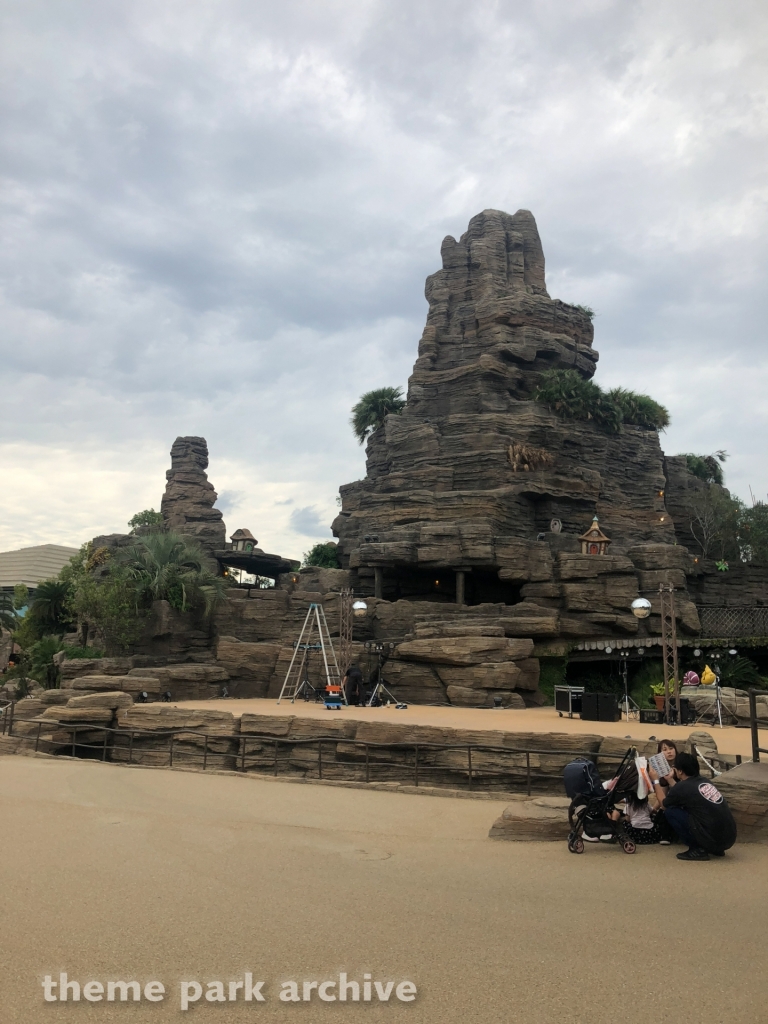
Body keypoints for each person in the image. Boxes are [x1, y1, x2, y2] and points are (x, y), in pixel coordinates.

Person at [650, 751, 737, 860]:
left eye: (675, 768)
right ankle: (714, 849)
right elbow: (682, 790)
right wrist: (670, 779)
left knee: (670, 811)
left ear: (680, 771)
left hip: (712, 840)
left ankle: (697, 849)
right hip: (728, 839)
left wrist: (655, 780)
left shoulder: (683, 787)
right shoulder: (705, 781)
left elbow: (663, 804)